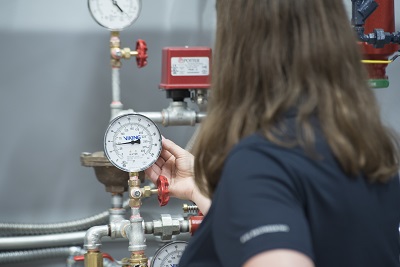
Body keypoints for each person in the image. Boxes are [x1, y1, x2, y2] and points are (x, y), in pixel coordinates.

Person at [146, 0, 400, 266]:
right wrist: (201, 188)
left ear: (238, 44)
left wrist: (245, 177)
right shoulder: (364, 150)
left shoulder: (262, 160)